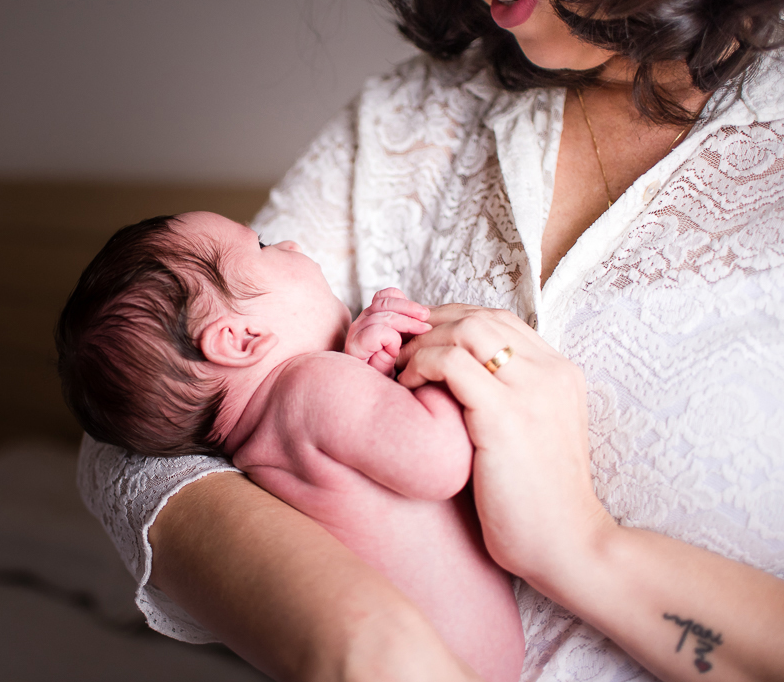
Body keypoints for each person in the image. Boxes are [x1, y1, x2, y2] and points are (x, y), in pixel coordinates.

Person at [74, 0, 784, 679]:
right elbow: (131, 440)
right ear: (235, 336)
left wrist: (583, 547)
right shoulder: (407, 119)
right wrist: (362, 638)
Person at [57, 211, 524, 680]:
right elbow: (440, 461)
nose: (292, 245)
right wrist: (425, 362)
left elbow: (365, 472)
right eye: (261, 246)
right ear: (242, 339)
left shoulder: (255, 453)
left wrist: (371, 371)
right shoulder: (314, 380)